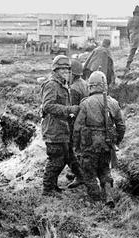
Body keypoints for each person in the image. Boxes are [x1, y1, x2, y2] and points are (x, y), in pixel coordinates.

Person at [73, 71, 125, 205]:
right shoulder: (113, 102)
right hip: (107, 143)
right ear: (104, 86)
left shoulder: (85, 103)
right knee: (104, 169)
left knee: (88, 172)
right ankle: (108, 196)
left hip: (89, 143)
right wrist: (116, 141)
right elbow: (121, 126)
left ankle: (96, 201)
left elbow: (77, 128)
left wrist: (76, 146)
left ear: (90, 86)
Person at [40, 55, 80, 196]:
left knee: (67, 156)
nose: (65, 71)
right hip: (53, 129)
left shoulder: (63, 85)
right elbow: (48, 106)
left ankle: (54, 186)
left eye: (67, 69)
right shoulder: (51, 85)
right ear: (55, 70)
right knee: (56, 159)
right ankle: (48, 189)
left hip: (62, 127)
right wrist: (69, 110)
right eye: (61, 69)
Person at [65, 60, 89, 189]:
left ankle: (80, 176)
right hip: (86, 121)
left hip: (77, 122)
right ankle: (78, 173)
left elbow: (73, 109)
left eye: (68, 72)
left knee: (74, 149)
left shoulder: (74, 88)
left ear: (72, 74)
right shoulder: (85, 83)